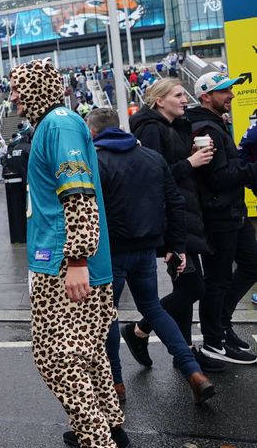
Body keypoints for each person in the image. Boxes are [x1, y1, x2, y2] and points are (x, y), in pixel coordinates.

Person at [11, 58, 135, 448]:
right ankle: (111, 431)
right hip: (62, 263)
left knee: (57, 359)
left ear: (38, 88)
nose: (14, 97)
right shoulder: (55, 123)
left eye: (19, 88)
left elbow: (78, 195)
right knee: (88, 355)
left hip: (67, 266)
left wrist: (78, 258)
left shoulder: (58, 124)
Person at [86, 108, 214, 404]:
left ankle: (116, 383)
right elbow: (175, 202)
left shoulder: (95, 160)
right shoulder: (152, 157)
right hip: (146, 249)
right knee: (154, 308)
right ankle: (194, 372)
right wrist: (176, 246)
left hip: (111, 253)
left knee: (107, 315)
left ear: (92, 132)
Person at [127, 78, 225, 373]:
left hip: (185, 217)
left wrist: (193, 152)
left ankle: (185, 354)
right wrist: (190, 162)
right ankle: (138, 331)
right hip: (171, 221)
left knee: (185, 287)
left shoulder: (174, 126)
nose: (185, 99)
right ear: (160, 101)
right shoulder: (151, 129)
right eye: (179, 95)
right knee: (193, 288)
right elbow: (153, 175)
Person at [187, 72, 257, 365]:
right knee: (217, 279)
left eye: (231, 89)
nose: (231, 95)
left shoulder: (215, 123)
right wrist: (252, 169)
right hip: (219, 216)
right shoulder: (205, 129)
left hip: (233, 212)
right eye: (224, 91)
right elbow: (217, 178)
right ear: (206, 96)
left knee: (251, 264)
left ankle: (222, 325)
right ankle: (214, 341)